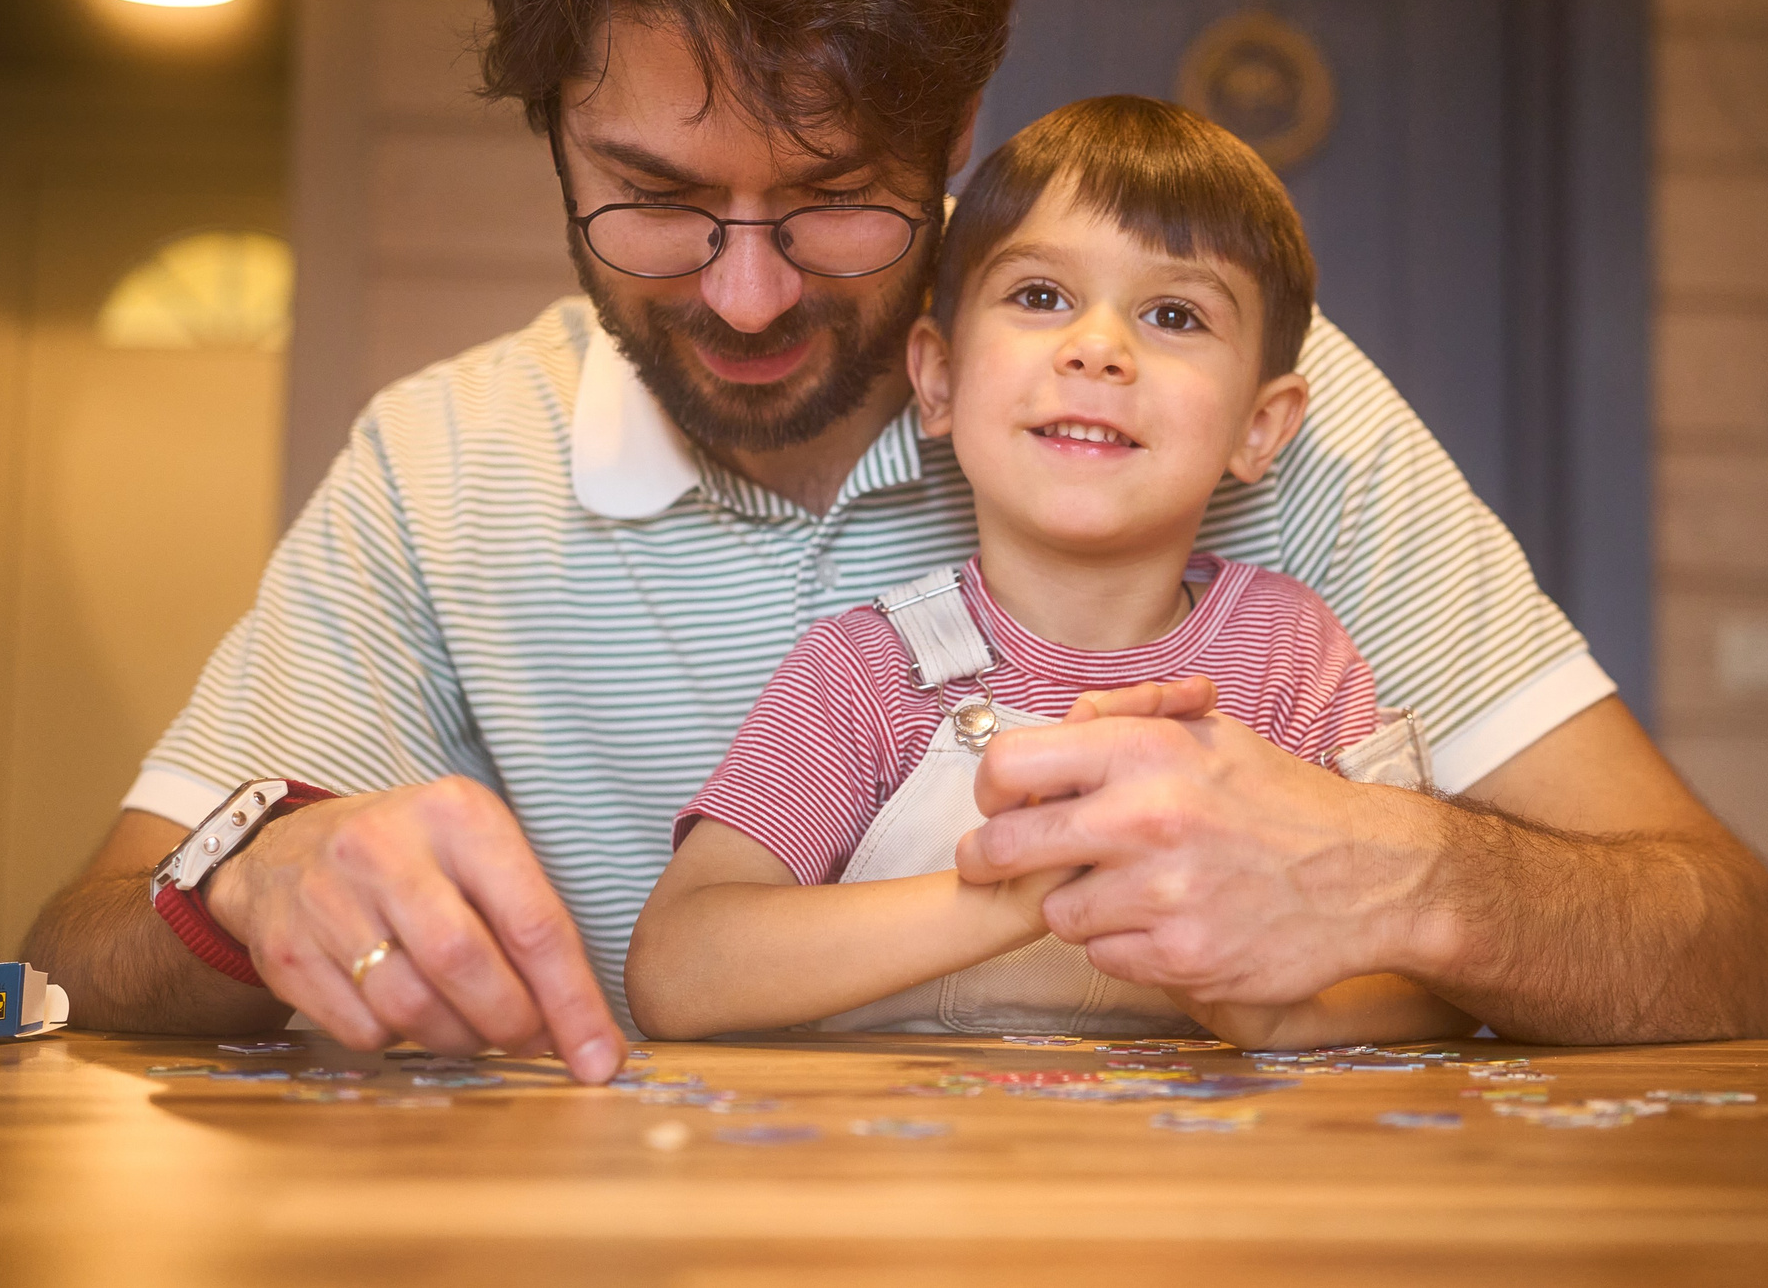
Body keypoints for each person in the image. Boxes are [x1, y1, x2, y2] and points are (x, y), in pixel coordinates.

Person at [22, 0, 1768, 1079]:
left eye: (831, 202)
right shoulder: (438, 471)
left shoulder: (1234, 406)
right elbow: (74, 959)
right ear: (551, 125)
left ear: (958, 134)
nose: (739, 293)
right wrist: (251, 885)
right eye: (651, 198)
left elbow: (1748, 962)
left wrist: (1415, 883)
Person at [627, 97, 1465, 1049]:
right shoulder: (864, 675)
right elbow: (678, 969)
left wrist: (1270, 1004)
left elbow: (1440, 970)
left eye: (1174, 313)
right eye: (1040, 297)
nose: (1098, 348)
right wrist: (1026, 889)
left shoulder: (1290, 659)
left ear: (1259, 426)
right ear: (938, 378)